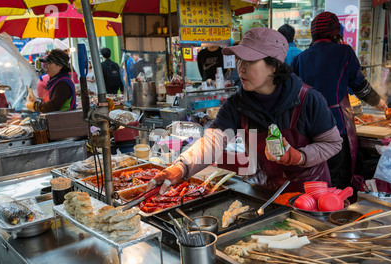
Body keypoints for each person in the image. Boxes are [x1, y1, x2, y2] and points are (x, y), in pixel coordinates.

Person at [146, 27, 343, 195]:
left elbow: (333, 143)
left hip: (308, 193)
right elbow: (213, 141)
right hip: (262, 191)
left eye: (249, 61)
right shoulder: (237, 104)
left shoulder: (308, 100)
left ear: (274, 66)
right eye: (239, 60)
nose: (241, 68)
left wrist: (298, 156)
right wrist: (182, 166)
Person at [291, 11, 388, 190]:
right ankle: (336, 211)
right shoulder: (344, 52)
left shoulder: (299, 59)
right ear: (336, 33)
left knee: (314, 178)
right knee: (337, 179)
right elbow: (359, 85)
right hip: (336, 125)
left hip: (306, 127)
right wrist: (378, 102)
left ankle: (315, 211)